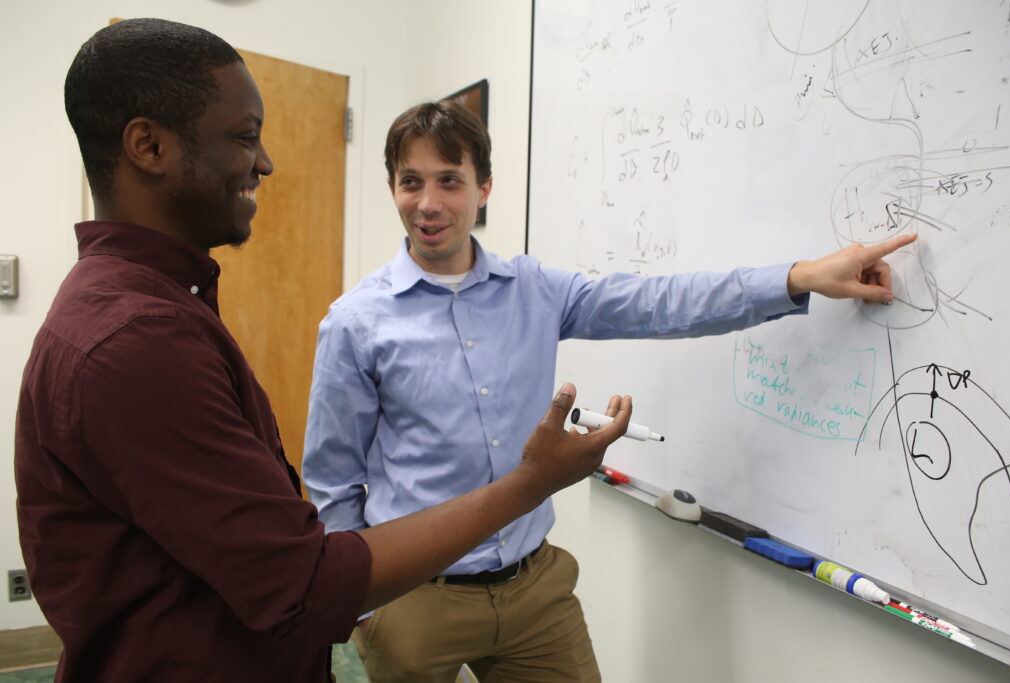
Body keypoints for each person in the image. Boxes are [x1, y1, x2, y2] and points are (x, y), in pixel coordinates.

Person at [14, 20, 632, 683]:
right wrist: (530, 481)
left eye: (451, 181)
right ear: (149, 145)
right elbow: (301, 578)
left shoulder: (158, 304)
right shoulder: (132, 341)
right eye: (245, 136)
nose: (265, 161)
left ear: (484, 189)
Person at [302, 99, 917, 682]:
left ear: (483, 188)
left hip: (534, 589)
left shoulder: (534, 290)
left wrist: (800, 277)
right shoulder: (356, 322)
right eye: (411, 182)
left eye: (449, 180)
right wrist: (361, 605)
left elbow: (660, 304)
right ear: (392, 189)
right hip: (414, 599)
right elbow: (333, 476)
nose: (429, 203)